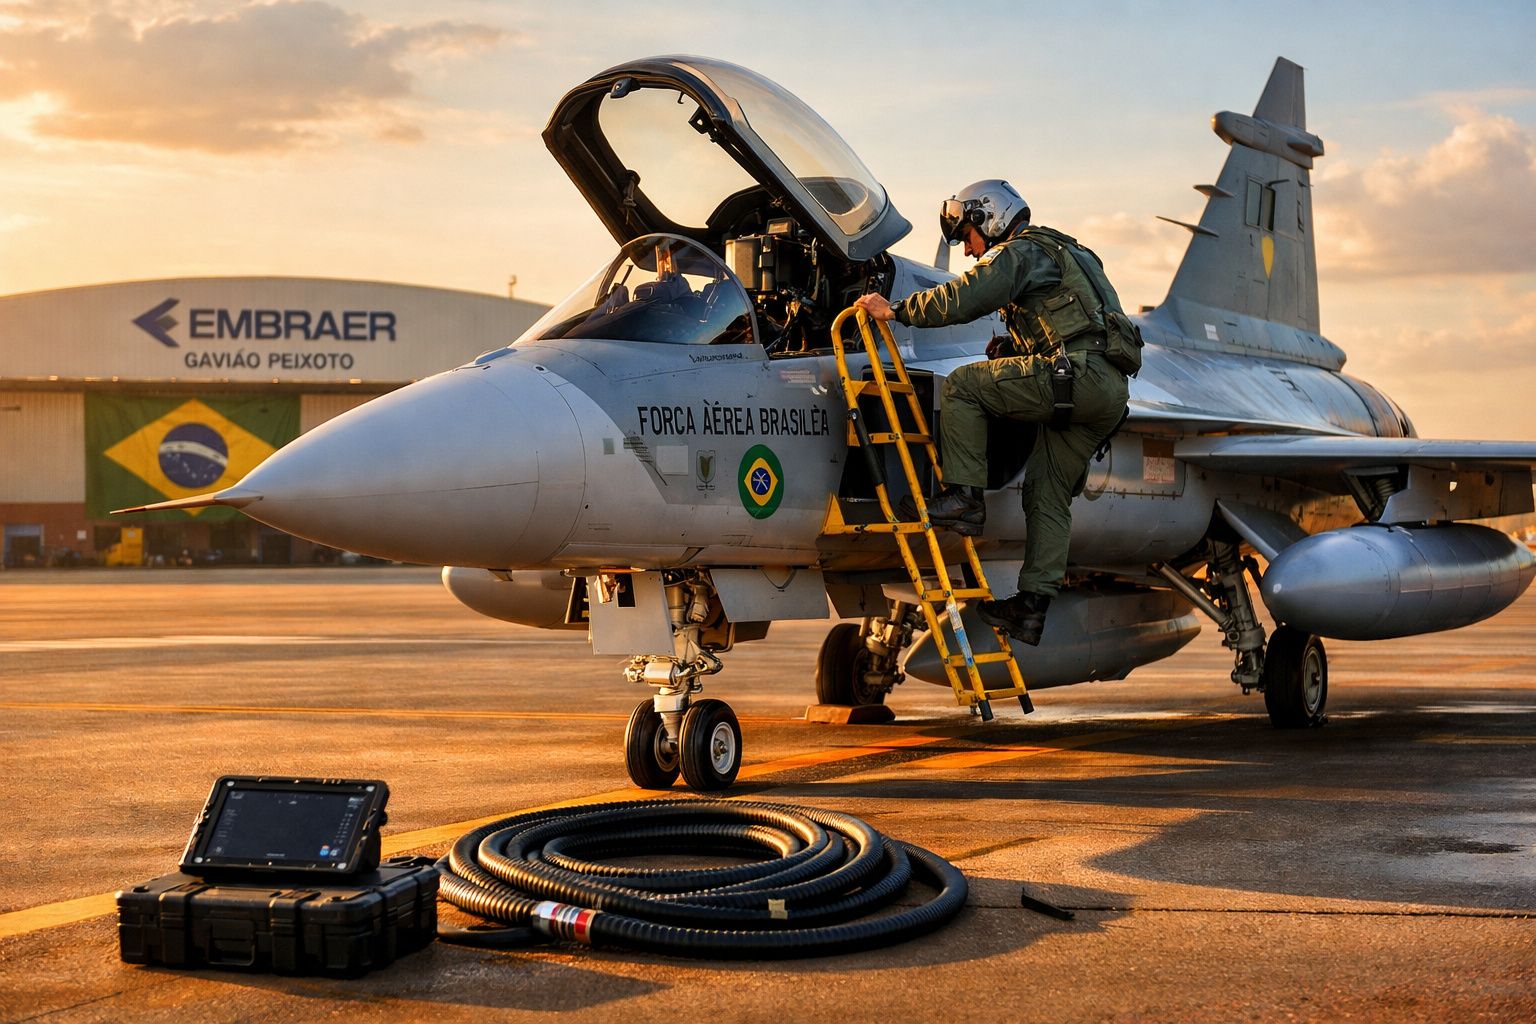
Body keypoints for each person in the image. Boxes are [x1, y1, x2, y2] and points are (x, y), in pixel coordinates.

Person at [854, 179, 1134, 645]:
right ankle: (1031, 608)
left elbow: (966, 296)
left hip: (1077, 378)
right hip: (1106, 389)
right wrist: (1015, 345)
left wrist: (896, 311)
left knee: (963, 386)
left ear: (990, 218)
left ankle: (962, 497)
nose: (967, 250)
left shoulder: (1020, 252)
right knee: (1046, 491)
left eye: (968, 235)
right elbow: (1073, 321)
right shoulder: (1067, 252)